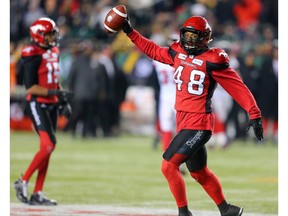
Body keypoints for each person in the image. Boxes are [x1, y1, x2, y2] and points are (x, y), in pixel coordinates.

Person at [121, 15, 263, 216]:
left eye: (193, 36)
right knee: (199, 172)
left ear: (204, 38)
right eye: (186, 35)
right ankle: (227, 209)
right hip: (184, 121)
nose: (188, 40)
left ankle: (183, 212)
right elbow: (152, 50)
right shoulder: (177, 51)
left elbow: (237, 87)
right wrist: (129, 30)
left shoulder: (213, 59)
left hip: (199, 122)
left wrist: (254, 113)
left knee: (168, 166)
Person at [14, 17, 72, 206]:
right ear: (38, 36)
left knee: (47, 149)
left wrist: (62, 100)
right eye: (48, 34)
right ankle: (23, 181)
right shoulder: (31, 52)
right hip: (37, 102)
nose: (52, 37)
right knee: (48, 145)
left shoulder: (54, 50)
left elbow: (54, 78)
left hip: (53, 103)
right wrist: (56, 92)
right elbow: (30, 87)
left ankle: (38, 193)